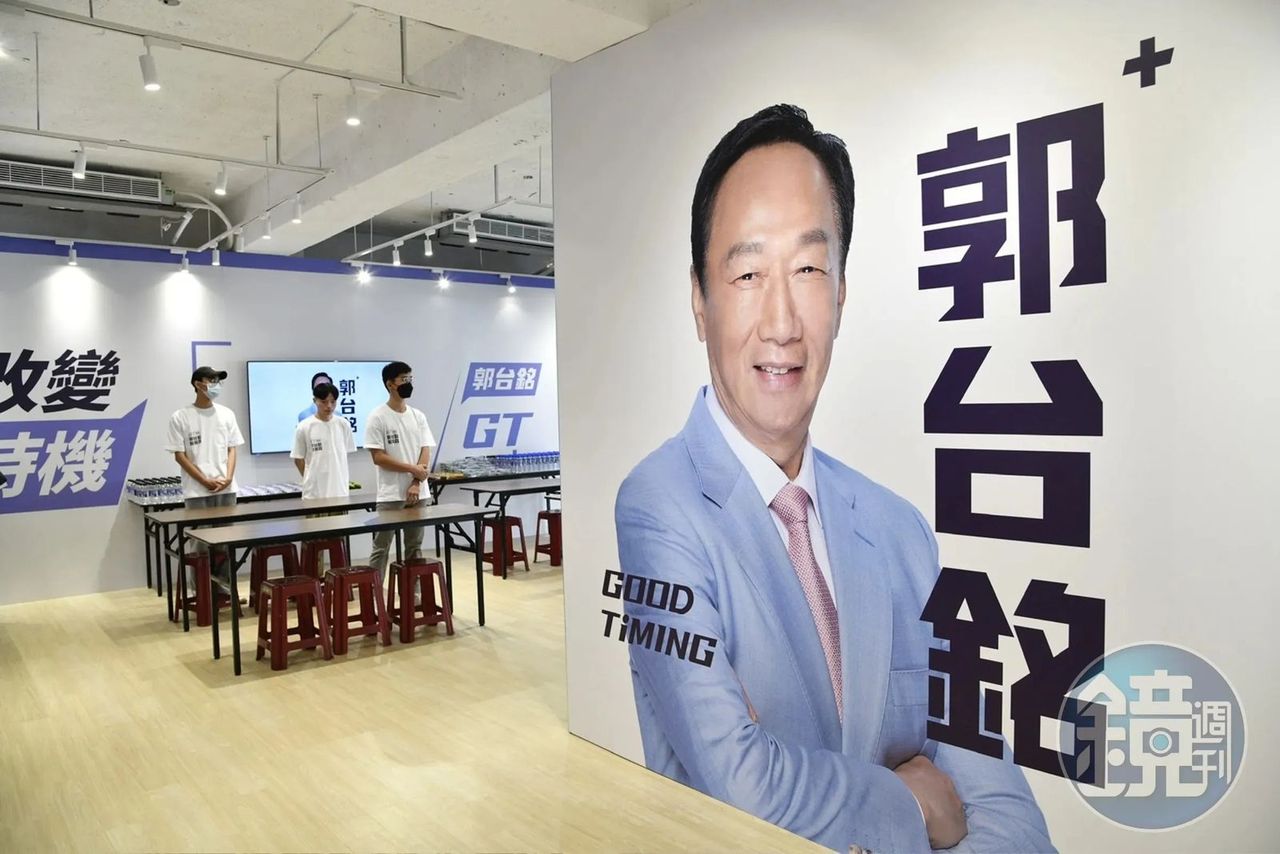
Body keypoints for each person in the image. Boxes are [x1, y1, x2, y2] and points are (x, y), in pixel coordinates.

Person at [614, 105, 1053, 853]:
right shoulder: (658, 508)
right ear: (699, 300)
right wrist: (911, 802)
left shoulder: (900, 530)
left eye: (810, 269)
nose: (782, 322)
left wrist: (824, 788)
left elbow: (1000, 796)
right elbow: (739, 783)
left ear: (842, 294)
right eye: (748, 273)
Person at [165, 366, 244, 576]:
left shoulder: (226, 414)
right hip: (197, 491)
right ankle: (201, 590)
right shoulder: (181, 417)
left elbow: (232, 449)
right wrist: (204, 480)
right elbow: (180, 455)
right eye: (212, 380)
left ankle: (225, 589)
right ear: (198, 384)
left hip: (226, 489)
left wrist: (228, 478)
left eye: (218, 381)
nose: (216, 385)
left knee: (226, 540)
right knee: (200, 543)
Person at [364, 361, 435, 576]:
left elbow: (425, 449)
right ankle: (375, 593)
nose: (409, 383)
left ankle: (412, 593)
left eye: (410, 379)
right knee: (381, 547)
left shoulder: (418, 416)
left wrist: (416, 481)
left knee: (414, 547)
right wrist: (413, 469)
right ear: (390, 384)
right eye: (404, 379)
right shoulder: (377, 416)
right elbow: (378, 457)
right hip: (391, 493)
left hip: (418, 492)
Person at [291, 382, 356, 499]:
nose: (329, 406)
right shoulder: (304, 426)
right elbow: (298, 459)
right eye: (324, 402)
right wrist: (310, 478)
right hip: (314, 493)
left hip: (340, 491)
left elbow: (343, 455)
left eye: (333, 402)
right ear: (315, 400)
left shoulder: (343, 424)